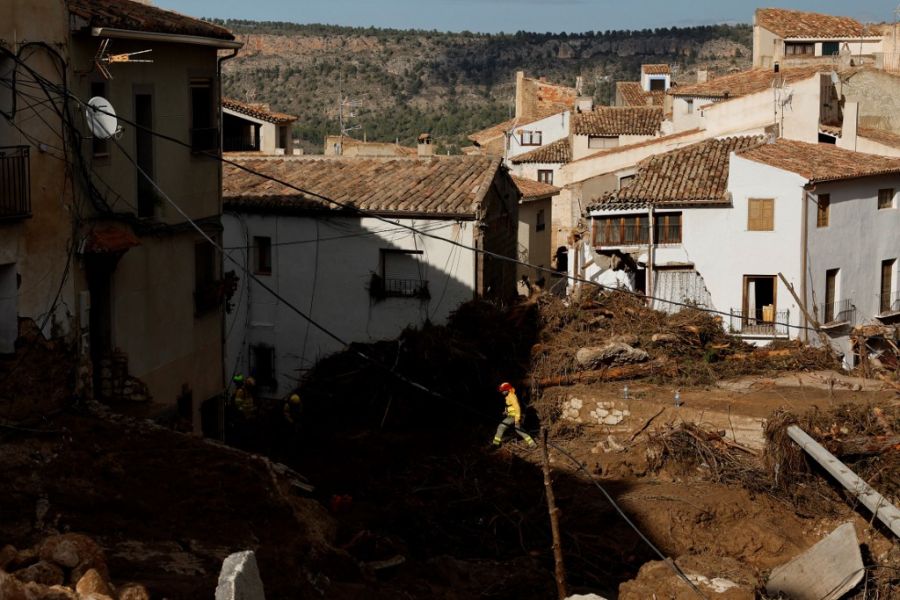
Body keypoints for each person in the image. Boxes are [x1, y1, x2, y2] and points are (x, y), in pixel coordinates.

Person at [492, 382, 536, 448]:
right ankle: (532, 443)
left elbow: (517, 408)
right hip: (512, 416)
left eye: (503, 391)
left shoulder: (512, 396)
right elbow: (511, 407)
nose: (502, 393)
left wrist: (517, 420)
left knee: (501, 426)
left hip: (514, 417)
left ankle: (495, 444)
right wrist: (506, 411)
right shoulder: (509, 396)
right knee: (518, 429)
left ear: (507, 389)